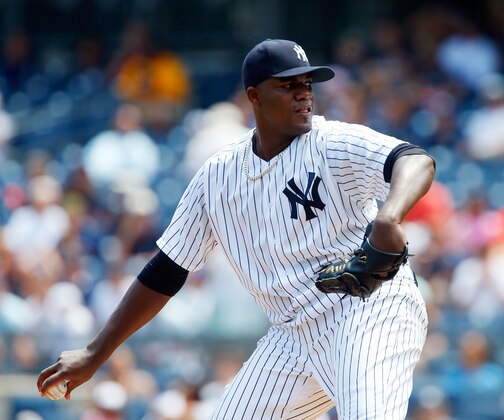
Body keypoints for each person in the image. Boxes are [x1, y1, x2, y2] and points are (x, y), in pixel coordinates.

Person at [37, 39, 436, 419]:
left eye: (307, 83)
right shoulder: (218, 177)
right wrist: (96, 351)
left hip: (370, 309)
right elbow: (167, 270)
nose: (304, 94)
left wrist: (389, 215)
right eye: (288, 84)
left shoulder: (330, 142)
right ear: (254, 96)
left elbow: (414, 160)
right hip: (292, 335)